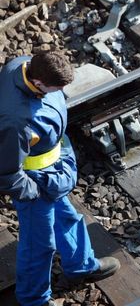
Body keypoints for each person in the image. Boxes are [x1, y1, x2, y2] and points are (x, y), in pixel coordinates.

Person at [0, 52, 120, 306]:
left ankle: (81, 265)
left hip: (53, 171)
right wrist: (32, 191)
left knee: (67, 217)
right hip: (36, 182)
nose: (62, 91)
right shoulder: (17, 121)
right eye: (58, 87)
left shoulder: (26, 63)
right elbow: (6, 171)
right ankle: (34, 300)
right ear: (40, 84)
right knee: (39, 246)